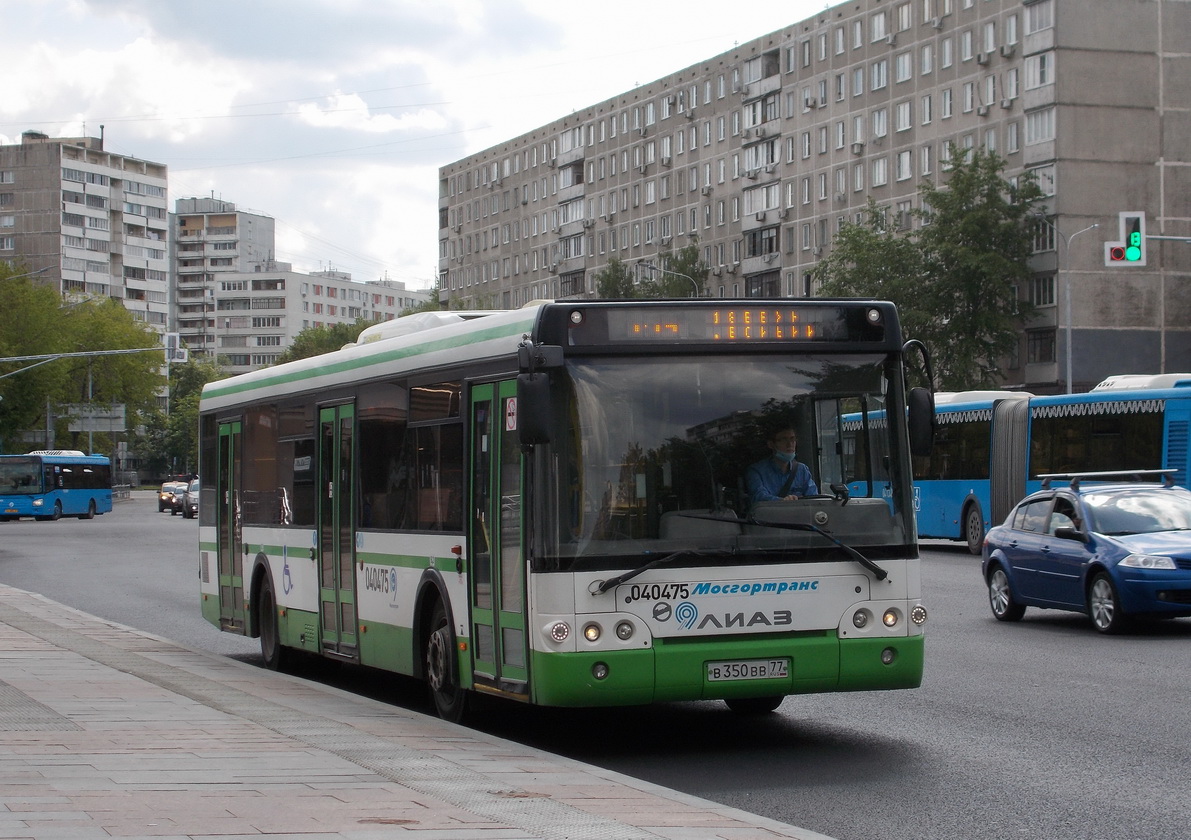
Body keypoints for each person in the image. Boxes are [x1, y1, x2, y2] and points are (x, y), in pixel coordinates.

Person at [746, 427, 818, 503]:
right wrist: (783, 502)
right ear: (771, 444)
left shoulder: (802, 469)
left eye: (792, 439)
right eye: (784, 440)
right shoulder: (756, 471)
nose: (789, 444)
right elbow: (759, 497)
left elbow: (814, 498)